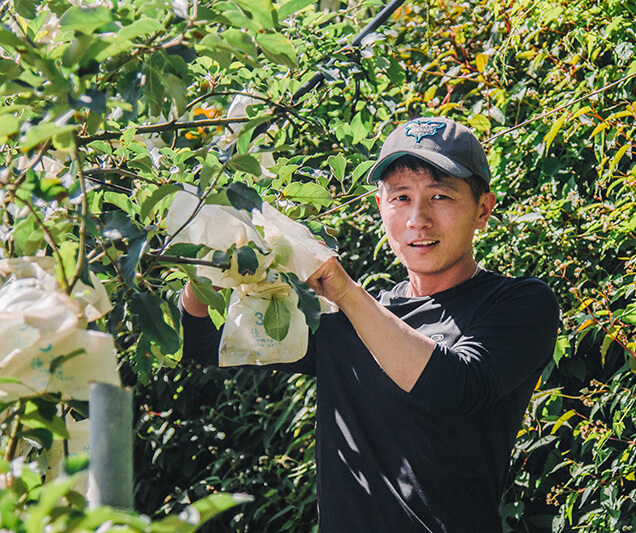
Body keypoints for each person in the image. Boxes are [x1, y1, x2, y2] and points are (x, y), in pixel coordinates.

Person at [179, 117, 560, 532]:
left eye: (440, 197)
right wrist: (210, 261)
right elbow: (204, 340)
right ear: (381, 207)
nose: (419, 219)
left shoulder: (517, 303)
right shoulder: (346, 322)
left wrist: (346, 293)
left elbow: (456, 385)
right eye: (400, 197)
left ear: (482, 209)